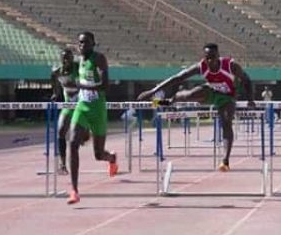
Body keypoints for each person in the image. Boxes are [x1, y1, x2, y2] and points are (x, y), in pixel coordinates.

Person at [138, 43, 255, 172]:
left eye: (213, 57)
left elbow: (247, 80)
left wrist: (250, 99)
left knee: (226, 123)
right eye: (207, 58)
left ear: (218, 56)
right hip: (212, 90)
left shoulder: (230, 66)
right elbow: (178, 77)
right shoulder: (201, 66)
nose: (210, 61)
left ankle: (225, 160)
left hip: (228, 96)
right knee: (191, 94)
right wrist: (152, 92)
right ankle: (173, 99)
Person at [66, 32, 118, 205]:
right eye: (80, 43)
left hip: (98, 110)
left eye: (86, 43)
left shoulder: (99, 59)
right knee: (72, 143)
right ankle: (74, 190)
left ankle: (111, 158)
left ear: (93, 44)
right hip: (82, 107)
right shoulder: (78, 61)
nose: (82, 46)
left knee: (98, 154)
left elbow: (105, 85)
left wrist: (80, 85)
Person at [50, 48, 79, 175]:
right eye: (64, 58)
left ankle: (109, 157)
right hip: (68, 106)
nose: (66, 60)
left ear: (73, 59)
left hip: (82, 105)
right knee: (61, 131)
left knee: (82, 137)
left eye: (68, 57)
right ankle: (62, 164)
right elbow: (55, 88)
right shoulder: (56, 72)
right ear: (61, 59)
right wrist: (55, 94)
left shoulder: (79, 68)